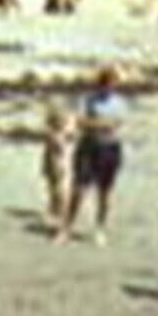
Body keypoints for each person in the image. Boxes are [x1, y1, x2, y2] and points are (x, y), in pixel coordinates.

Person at [56, 67, 126, 244]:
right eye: (104, 84)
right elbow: (80, 121)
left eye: (111, 84)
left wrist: (95, 124)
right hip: (88, 146)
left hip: (110, 147)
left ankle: (100, 228)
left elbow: (116, 124)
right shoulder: (88, 100)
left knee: (105, 192)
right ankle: (66, 228)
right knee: (78, 189)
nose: (108, 88)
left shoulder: (119, 102)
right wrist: (99, 124)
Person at [38, 101, 76, 228]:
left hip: (63, 161)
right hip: (52, 159)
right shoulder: (52, 132)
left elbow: (68, 140)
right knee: (53, 186)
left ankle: (61, 214)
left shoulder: (67, 130)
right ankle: (54, 210)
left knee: (61, 188)